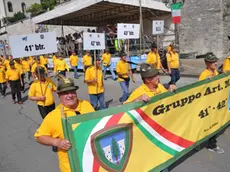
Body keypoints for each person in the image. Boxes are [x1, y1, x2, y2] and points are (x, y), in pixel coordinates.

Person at [34, 74, 95, 172]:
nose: (70, 95)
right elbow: (39, 136)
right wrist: (57, 142)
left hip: (93, 161)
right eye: (65, 93)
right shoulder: (53, 116)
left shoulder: (86, 105)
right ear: (58, 95)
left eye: (72, 91)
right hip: (71, 167)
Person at [198, 52, 224, 154]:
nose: (215, 64)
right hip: (208, 105)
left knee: (214, 124)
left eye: (215, 62)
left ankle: (208, 142)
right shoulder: (204, 75)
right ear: (206, 63)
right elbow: (199, 89)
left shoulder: (216, 73)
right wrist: (205, 82)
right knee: (211, 124)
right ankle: (212, 145)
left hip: (216, 104)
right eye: (212, 62)